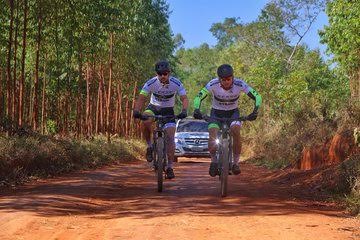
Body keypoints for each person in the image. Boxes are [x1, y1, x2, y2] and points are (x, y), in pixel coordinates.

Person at [193, 64, 261, 176]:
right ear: (219, 79)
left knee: (236, 131)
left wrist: (255, 111)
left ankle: (235, 163)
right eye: (223, 79)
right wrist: (196, 109)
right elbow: (198, 96)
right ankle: (213, 161)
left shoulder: (240, 84)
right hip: (216, 113)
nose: (226, 82)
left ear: (233, 77)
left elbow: (257, 96)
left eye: (229, 79)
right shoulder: (213, 83)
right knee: (212, 132)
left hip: (233, 113)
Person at [133, 60, 189, 179]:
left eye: (165, 74)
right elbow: (142, 98)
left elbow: (184, 98)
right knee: (145, 120)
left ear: (169, 73)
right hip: (153, 108)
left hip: (168, 110)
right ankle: (149, 146)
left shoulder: (176, 83)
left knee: (170, 136)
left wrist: (184, 110)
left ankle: (169, 167)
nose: (162, 76)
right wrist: (137, 111)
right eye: (160, 74)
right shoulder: (151, 83)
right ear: (156, 74)